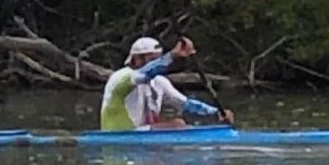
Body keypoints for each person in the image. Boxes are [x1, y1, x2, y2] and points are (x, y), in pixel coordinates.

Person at [100, 36, 234, 131]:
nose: (158, 63)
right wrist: (173, 55)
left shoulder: (160, 82)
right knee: (177, 124)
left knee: (179, 123)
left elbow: (185, 104)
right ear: (137, 58)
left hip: (143, 135)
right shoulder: (121, 77)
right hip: (120, 134)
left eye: (159, 58)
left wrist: (217, 113)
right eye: (153, 59)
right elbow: (144, 74)